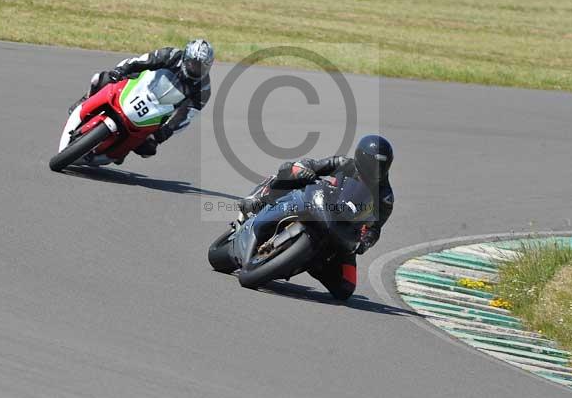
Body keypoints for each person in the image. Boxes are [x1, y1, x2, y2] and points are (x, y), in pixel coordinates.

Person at [237, 135, 395, 300]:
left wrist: (365, 242)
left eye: (381, 166)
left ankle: (313, 262)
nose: (376, 170)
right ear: (361, 158)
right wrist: (303, 169)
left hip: (346, 230)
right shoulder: (344, 164)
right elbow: (312, 165)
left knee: (345, 289)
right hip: (321, 204)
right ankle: (262, 196)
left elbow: (375, 229)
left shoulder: (385, 198)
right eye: (373, 164)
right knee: (290, 172)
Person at [76, 39, 213, 159]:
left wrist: (165, 132)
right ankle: (85, 99)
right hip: (141, 86)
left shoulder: (203, 89)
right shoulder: (170, 55)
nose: (196, 69)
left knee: (148, 149)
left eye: (201, 67)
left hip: (158, 112)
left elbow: (186, 115)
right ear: (186, 57)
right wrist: (121, 70)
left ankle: (118, 151)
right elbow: (142, 61)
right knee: (100, 79)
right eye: (193, 64)